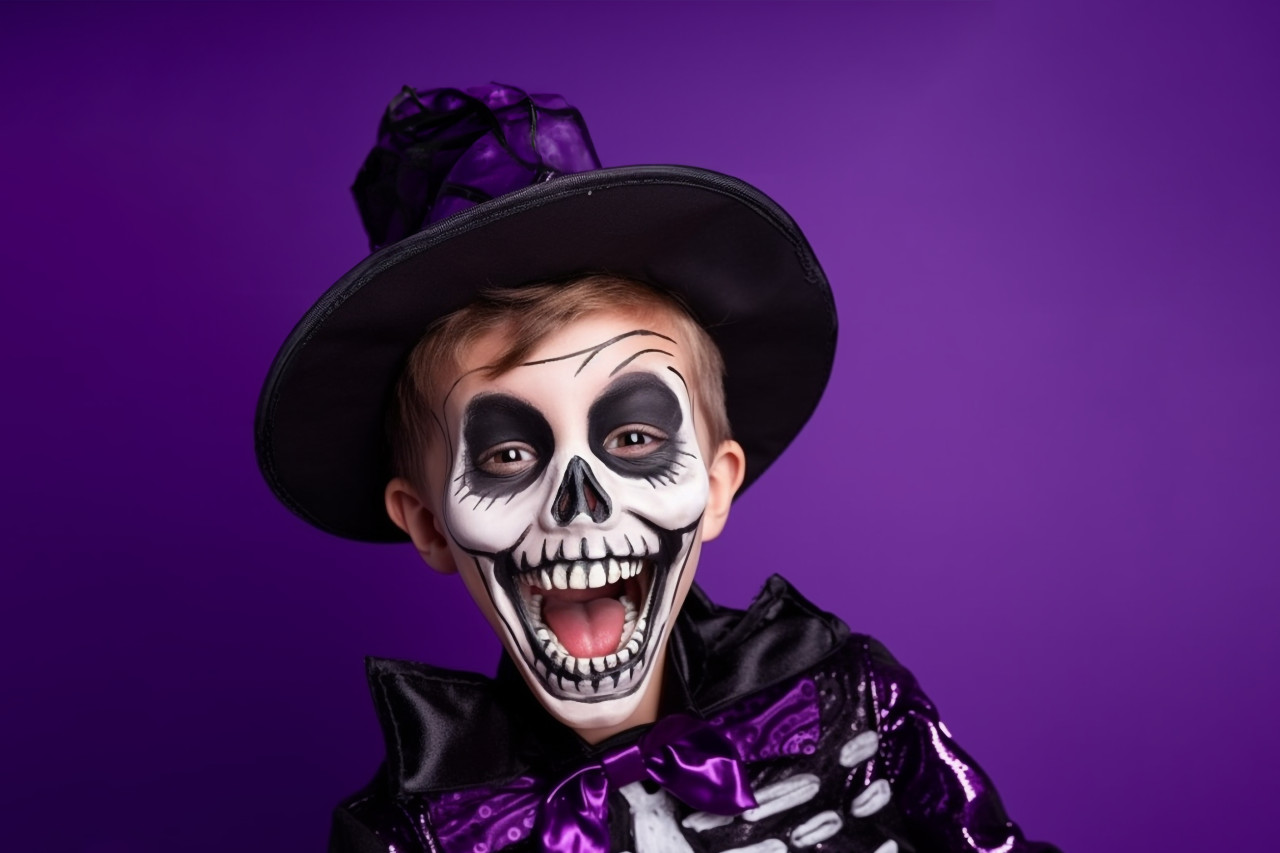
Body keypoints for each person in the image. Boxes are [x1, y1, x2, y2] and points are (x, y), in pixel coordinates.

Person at [256, 83, 1060, 853]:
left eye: (634, 439)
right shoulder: (415, 834)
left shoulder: (846, 698)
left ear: (714, 485)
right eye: (506, 455)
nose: (578, 507)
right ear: (430, 521)